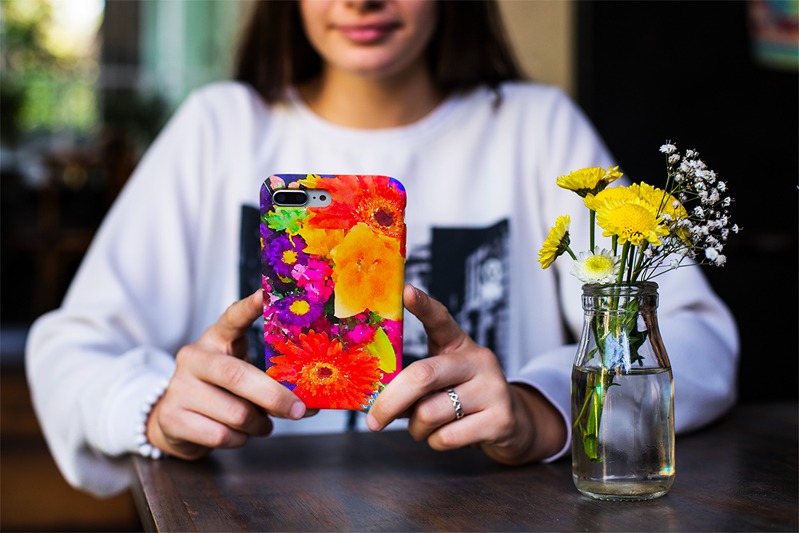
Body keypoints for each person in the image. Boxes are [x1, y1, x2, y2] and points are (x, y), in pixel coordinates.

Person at [25, 0, 739, 497]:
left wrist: (540, 406)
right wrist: (154, 409)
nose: (361, 1)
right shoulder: (219, 127)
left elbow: (694, 336)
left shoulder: (536, 126)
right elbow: (70, 346)